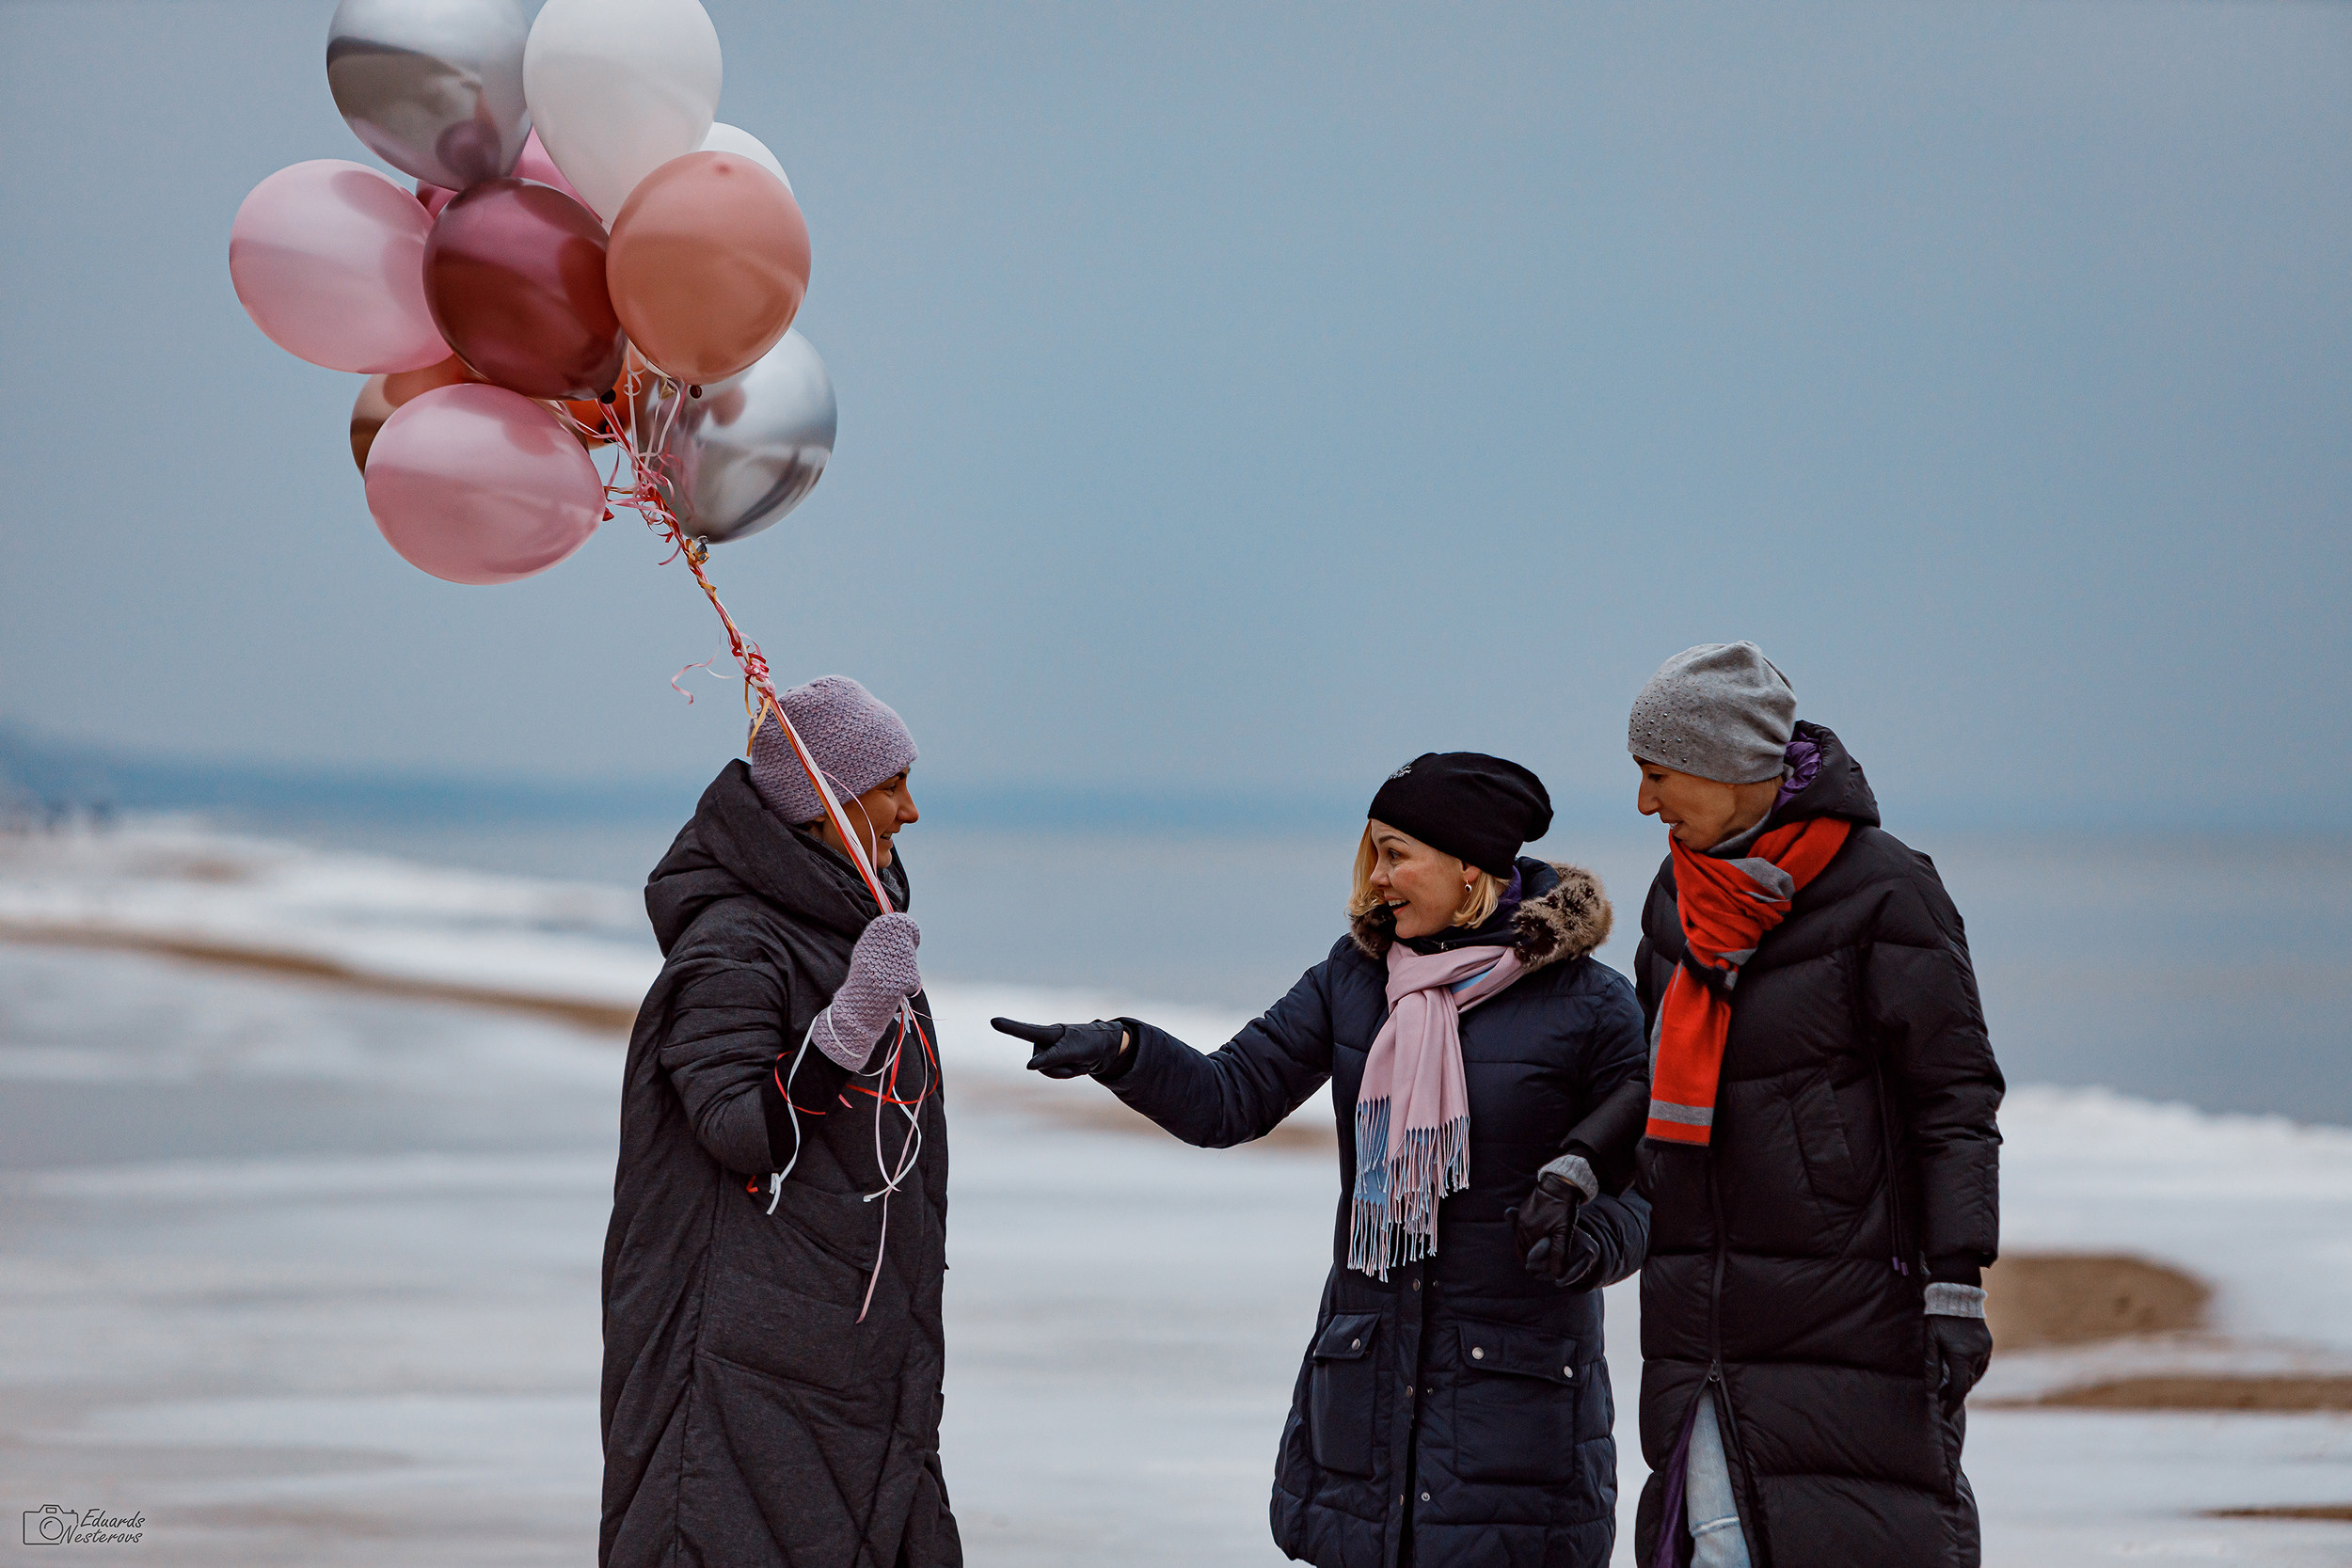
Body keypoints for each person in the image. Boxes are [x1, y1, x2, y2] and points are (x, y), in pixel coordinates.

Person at [993, 752, 1651, 1568]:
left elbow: (1656, 1186)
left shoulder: (1589, 1003)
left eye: (1396, 853)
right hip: (1365, 1412)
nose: (1375, 878)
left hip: (1515, 1424)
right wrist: (1125, 1049)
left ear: (1471, 866)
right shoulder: (1354, 979)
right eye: (1370, 852)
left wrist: (1588, 1242)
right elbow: (1229, 1096)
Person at [1622, 643, 2002, 1568]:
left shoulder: (1886, 887)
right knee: (1711, 1533)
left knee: (1857, 1526)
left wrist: (1955, 1280)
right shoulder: (1676, 894)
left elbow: (1952, 1098)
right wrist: (1582, 1173)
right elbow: (1648, 1079)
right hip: (1696, 1299)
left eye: (1657, 773)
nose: (1644, 803)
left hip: (1848, 1295)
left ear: (1727, 766)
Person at [600, 675, 958, 1568]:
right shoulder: (734, 944)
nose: (911, 811)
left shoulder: (841, 928)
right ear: (826, 804)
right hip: (739, 1379)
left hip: (848, 1363)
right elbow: (740, 1128)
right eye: (892, 786)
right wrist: (851, 1017)